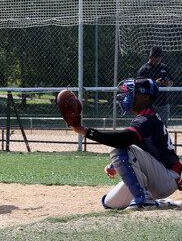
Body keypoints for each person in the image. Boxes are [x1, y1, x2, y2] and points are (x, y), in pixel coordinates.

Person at [70, 77, 182, 209]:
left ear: (145, 96)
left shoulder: (147, 118)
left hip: (166, 177)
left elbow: (122, 139)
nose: (126, 95)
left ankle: (143, 199)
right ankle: (163, 203)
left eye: (132, 92)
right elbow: (140, 147)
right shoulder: (145, 116)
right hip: (158, 176)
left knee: (116, 146)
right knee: (109, 203)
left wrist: (84, 131)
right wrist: (116, 164)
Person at [137, 46, 173, 125]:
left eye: (159, 59)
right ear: (150, 57)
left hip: (163, 103)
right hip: (148, 104)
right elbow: (139, 87)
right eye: (155, 59)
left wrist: (167, 83)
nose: (157, 62)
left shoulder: (164, 67)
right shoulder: (143, 70)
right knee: (147, 126)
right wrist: (154, 83)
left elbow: (171, 82)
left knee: (163, 126)